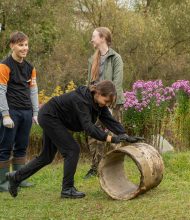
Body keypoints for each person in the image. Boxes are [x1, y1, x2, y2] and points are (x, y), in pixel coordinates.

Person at [6, 80, 142, 199]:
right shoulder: (81, 100)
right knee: (72, 149)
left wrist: (124, 135)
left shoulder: (98, 105)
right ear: (98, 93)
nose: (105, 105)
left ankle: (15, 177)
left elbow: (109, 120)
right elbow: (88, 127)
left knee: (46, 157)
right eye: (105, 101)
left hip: (53, 118)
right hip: (50, 116)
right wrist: (112, 139)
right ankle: (67, 189)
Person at [0, 31, 39, 192]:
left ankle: (18, 178)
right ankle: (2, 182)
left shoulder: (30, 68)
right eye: (20, 45)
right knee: (5, 147)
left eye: (26, 45)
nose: (24, 48)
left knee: (22, 146)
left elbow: (33, 90)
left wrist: (35, 112)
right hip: (11, 112)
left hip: (26, 112)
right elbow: (1, 91)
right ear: (12, 46)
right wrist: (5, 115)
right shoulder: (4, 66)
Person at [84, 27, 125, 179]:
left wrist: (109, 102)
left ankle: (116, 169)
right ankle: (95, 168)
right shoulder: (92, 59)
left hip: (112, 102)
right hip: (95, 103)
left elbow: (117, 83)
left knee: (115, 135)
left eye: (93, 36)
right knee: (93, 135)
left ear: (102, 38)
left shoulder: (116, 58)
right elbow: (90, 83)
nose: (92, 39)